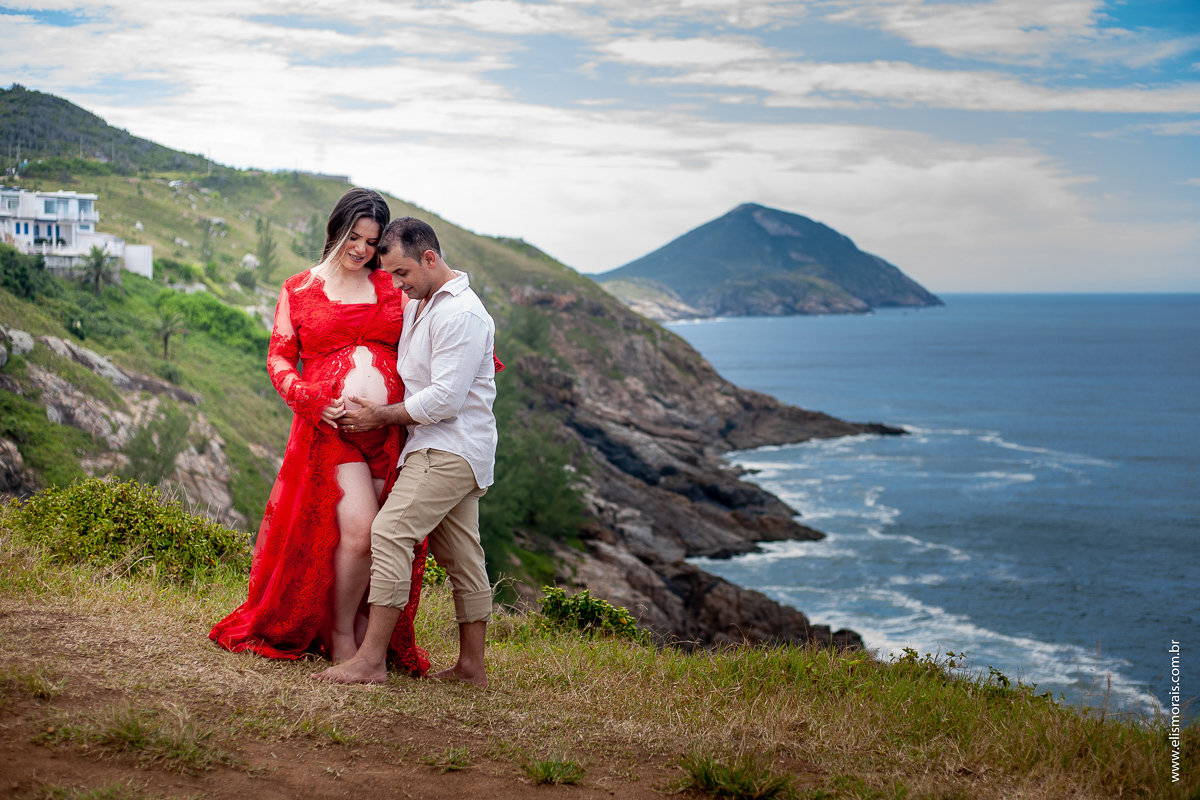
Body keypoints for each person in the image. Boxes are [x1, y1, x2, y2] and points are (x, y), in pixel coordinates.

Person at [209, 189, 431, 675]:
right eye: (354, 237)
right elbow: (279, 356)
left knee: (379, 539)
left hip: (389, 430)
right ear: (335, 231)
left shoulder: (391, 285)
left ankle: (357, 629)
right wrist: (306, 398)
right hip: (330, 429)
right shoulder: (299, 288)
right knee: (358, 530)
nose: (362, 250)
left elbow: (433, 328)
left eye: (372, 242)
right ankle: (338, 635)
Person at [313, 216, 498, 688]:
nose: (396, 284)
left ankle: (370, 660)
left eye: (402, 273)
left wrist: (380, 416)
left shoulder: (462, 314)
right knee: (461, 555)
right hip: (449, 447)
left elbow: (445, 400)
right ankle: (472, 669)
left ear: (430, 259)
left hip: (449, 448)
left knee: (391, 532)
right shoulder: (424, 300)